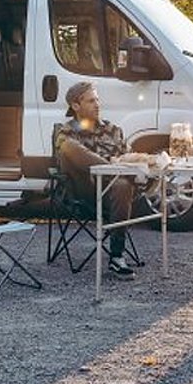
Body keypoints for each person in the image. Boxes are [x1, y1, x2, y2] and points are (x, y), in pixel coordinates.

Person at [54, 81, 138, 279]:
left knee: (122, 186)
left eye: (98, 100)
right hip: (84, 191)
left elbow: (129, 157)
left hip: (113, 193)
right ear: (76, 106)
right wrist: (110, 167)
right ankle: (111, 171)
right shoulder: (66, 132)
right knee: (69, 147)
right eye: (91, 101)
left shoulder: (113, 130)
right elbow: (70, 156)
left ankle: (116, 257)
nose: (97, 104)